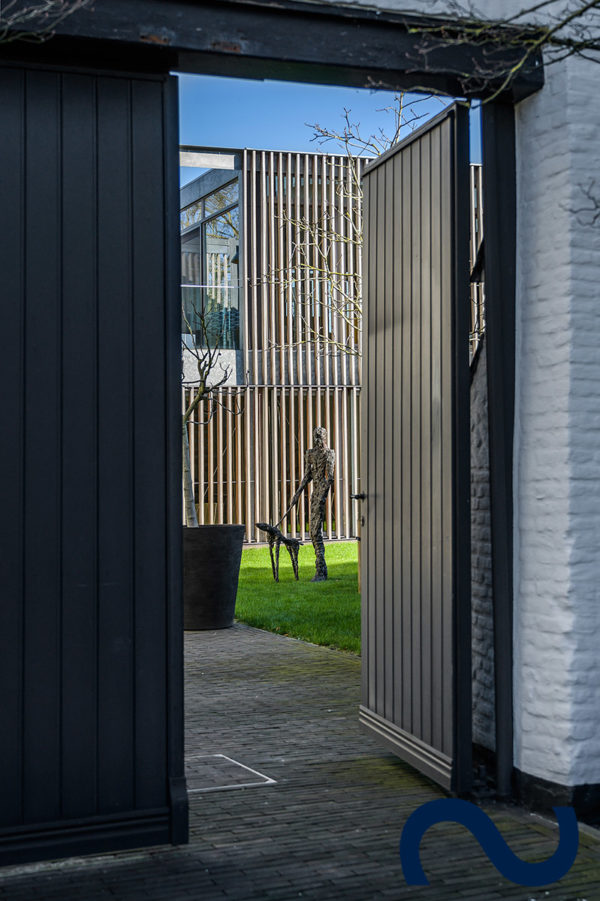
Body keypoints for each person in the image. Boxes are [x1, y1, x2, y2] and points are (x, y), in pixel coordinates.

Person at [278, 426, 335, 582]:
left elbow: (329, 478)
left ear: (325, 437)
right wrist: (297, 493)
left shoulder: (329, 454)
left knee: (316, 531)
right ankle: (322, 570)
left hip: (320, 494)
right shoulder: (310, 454)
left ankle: (320, 570)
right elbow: (307, 475)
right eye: (315, 436)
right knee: (312, 533)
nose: (317, 438)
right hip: (314, 494)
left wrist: (321, 495)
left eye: (320, 436)